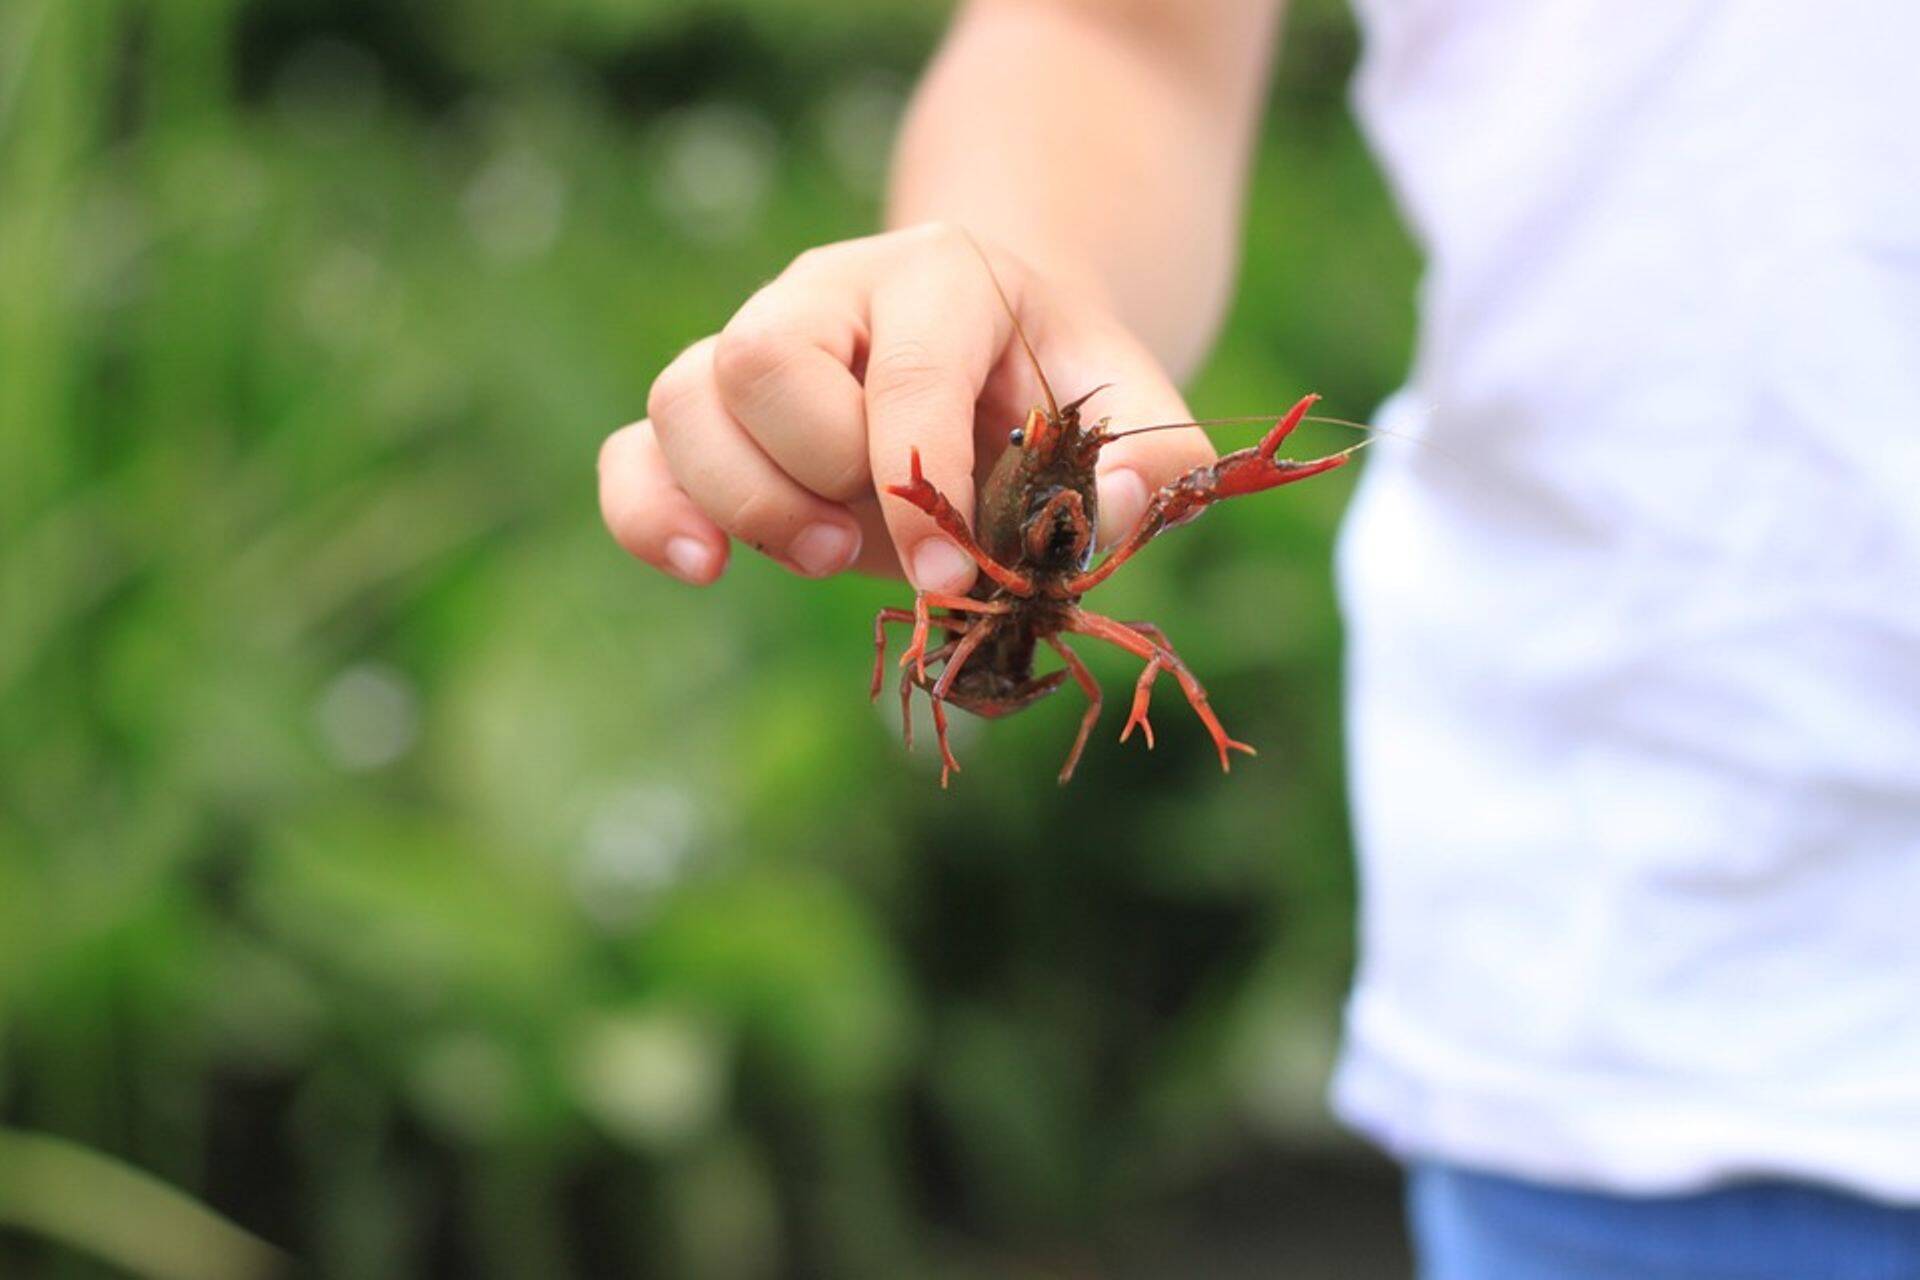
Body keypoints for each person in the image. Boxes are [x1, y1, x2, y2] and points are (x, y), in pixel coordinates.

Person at [599, 1, 1920, 1273]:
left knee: (1151, 652)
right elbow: (1115, 32)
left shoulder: (1066, 528)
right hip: (1642, 1024)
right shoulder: (1003, 558)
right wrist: (999, 289)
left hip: (1686, 971)